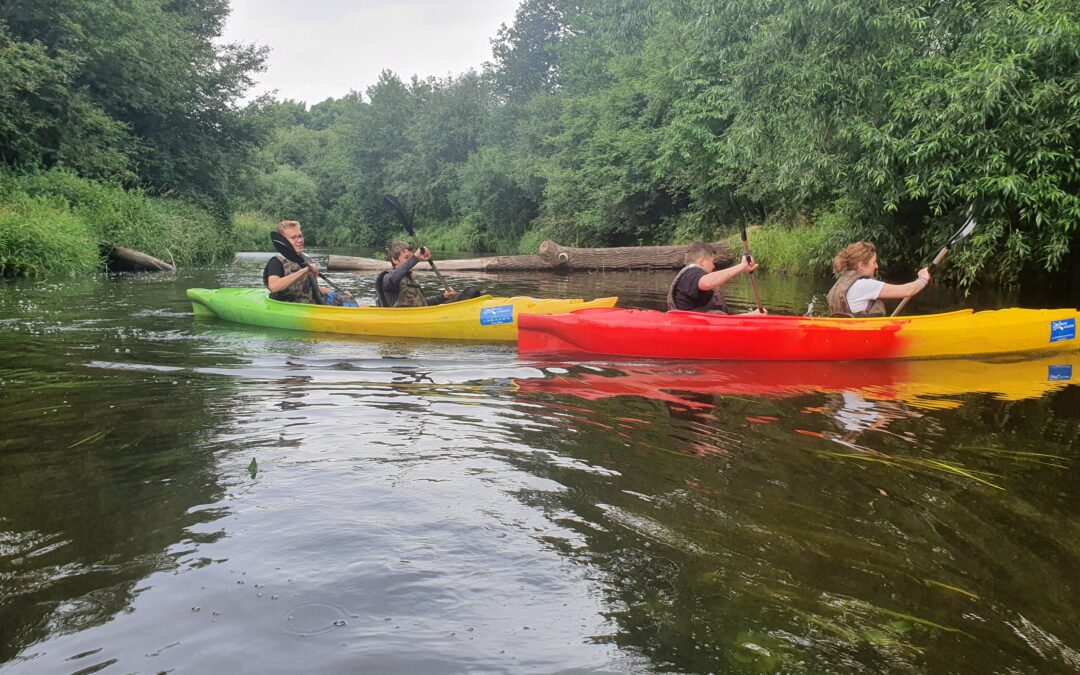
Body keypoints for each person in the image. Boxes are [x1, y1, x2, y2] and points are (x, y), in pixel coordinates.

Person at [263, 220, 356, 306]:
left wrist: (338, 293)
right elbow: (274, 287)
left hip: (312, 304)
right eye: (294, 237)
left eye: (300, 236)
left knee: (351, 301)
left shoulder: (306, 258)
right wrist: (304, 271)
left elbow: (312, 289)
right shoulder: (276, 261)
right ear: (284, 241)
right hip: (289, 306)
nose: (299, 240)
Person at [827, 242, 930, 317]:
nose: (876, 266)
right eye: (874, 262)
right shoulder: (864, 285)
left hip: (848, 336)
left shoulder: (840, 283)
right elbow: (908, 290)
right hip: (863, 338)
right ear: (861, 265)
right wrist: (923, 279)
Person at [667, 241, 766, 314]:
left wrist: (752, 315)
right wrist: (741, 266)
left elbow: (721, 320)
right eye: (712, 262)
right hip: (693, 331)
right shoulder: (690, 274)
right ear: (702, 261)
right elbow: (706, 283)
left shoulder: (690, 276)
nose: (714, 266)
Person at [377, 241, 482, 307]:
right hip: (404, 319)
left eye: (411, 256)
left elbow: (424, 304)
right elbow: (394, 278)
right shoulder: (387, 279)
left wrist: (444, 297)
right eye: (406, 257)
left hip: (422, 315)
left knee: (470, 293)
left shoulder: (412, 280)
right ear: (395, 260)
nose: (410, 260)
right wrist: (415, 258)